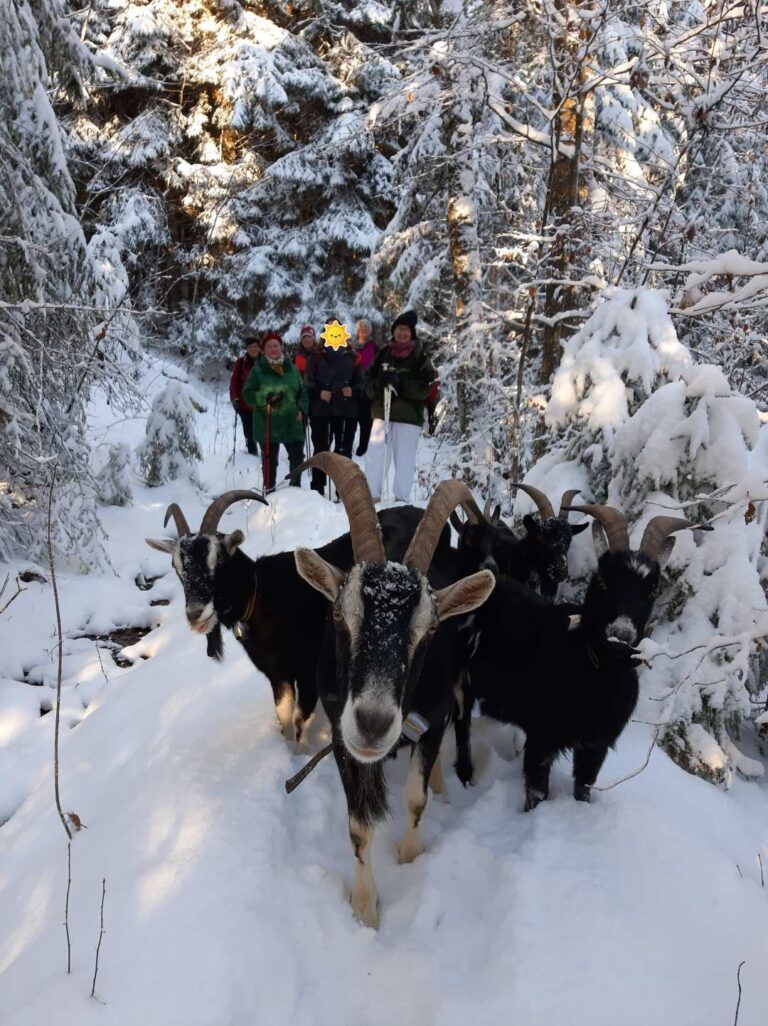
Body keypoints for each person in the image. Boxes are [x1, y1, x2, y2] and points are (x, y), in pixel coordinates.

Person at [364, 310, 435, 502]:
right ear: (393, 332)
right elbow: (367, 382)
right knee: (375, 455)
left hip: (408, 416)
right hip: (382, 412)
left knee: (404, 458)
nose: (402, 333)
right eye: (398, 329)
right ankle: (373, 494)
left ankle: (401, 497)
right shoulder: (383, 354)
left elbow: (426, 387)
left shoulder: (420, 356)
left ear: (411, 332)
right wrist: (378, 385)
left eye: (405, 330)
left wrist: (401, 384)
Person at [243, 332, 308, 492]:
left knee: (297, 460)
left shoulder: (292, 369)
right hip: (267, 423)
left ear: (281, 348)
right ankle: (269, 492)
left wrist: (301, 409)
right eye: (269, 346)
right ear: (264, 350)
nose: (273, 348)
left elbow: (303, 393)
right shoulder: (257, 371)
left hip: (292, 422)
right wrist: (265, 397)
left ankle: (296, 491)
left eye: (276, 345)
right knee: (269, 462)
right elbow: (248, 394)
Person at [305, 325, 361, 495]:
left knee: (344, 450)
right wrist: (319, 392)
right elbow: (307, 383)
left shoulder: (353, 357)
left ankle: (343, 489)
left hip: (347, 410)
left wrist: (353, 391)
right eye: (331, 333)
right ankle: (317, 487)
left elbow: (362, 384)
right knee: (321, 450)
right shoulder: (315, 357)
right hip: (321, 410)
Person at [229, 336, 261, 455]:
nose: (253, 349)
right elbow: (234, 382)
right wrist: (234, 398)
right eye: (250, 347)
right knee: (249, 434)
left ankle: (266, 460)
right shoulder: (241, 362)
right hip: (244, 405)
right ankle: (252, 458)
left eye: (255, 346)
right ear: (246, 349)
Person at [353, 319, 376, 456]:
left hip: (367, 390)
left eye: (366, 329)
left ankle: (363, 448)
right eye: (361, 329)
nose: (364, 331)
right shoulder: (351, 346)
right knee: (350, 421)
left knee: (365, 422)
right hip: (353, 387)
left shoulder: (374, 347)